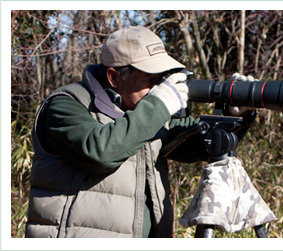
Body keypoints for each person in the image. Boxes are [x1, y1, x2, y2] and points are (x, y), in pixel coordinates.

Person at [25, 26, 255, 238]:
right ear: (114, 77)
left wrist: (236, 116)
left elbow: (196, 142)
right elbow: (100, 151)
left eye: (161, 80)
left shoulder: (139, 113)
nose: (158, 89)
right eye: (150, 80)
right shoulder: (67, 105)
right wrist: (160, 104)